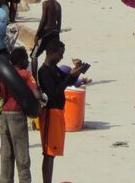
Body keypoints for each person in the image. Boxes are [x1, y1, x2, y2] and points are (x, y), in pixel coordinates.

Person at [0, 47, 40, 183]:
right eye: (26, 59)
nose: (28, 61)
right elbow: (36, 94)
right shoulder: (25, 74)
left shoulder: (3, 75)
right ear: (21, 60)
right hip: (17, 115)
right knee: (22, 154)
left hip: (4, 115)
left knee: (6, 152)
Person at [37, 41, 84, 183]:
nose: (61, 57)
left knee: (53, 152)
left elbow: (67, 82)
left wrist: (77, 70)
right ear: (51, 53)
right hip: (50, 113)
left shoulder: (54, 68)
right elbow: (55, 92)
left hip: (57, 113)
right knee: (49, 152)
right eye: (59, 54)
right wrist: (70, 77)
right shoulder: (43, 71)